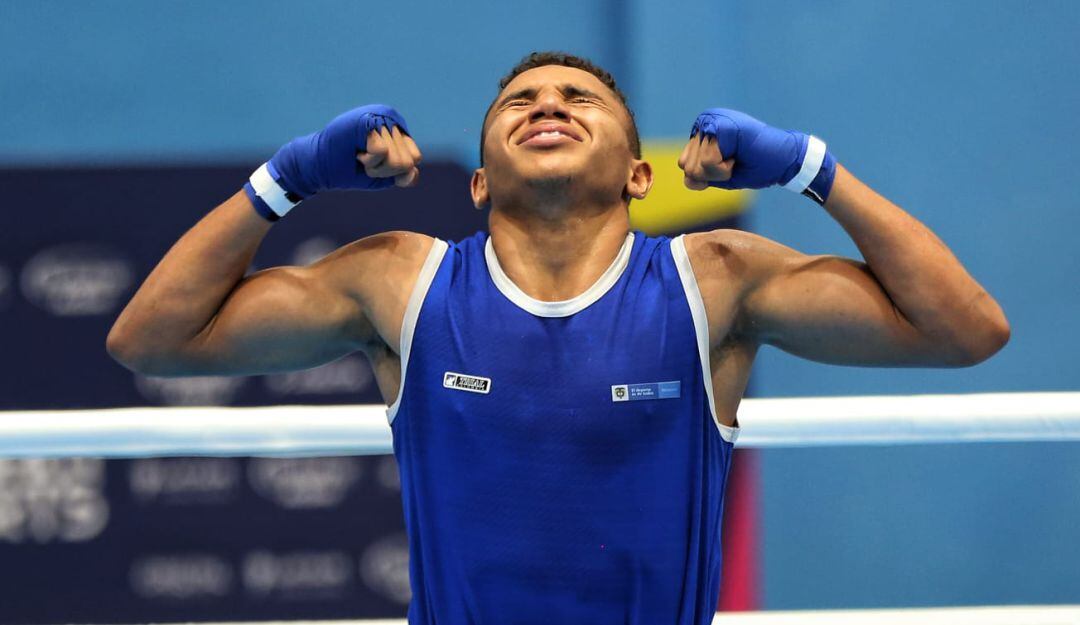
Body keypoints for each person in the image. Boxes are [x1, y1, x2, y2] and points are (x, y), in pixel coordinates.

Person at [106, 51, 1010, 624]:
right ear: (477, 183)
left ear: (637, 172)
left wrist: (815, 170)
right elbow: (153, 338)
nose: (548, 104)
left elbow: (965, 328)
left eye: (580, 96)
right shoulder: (400, 277)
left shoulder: (716, 278)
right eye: (520, 100)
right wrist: (288, 176)